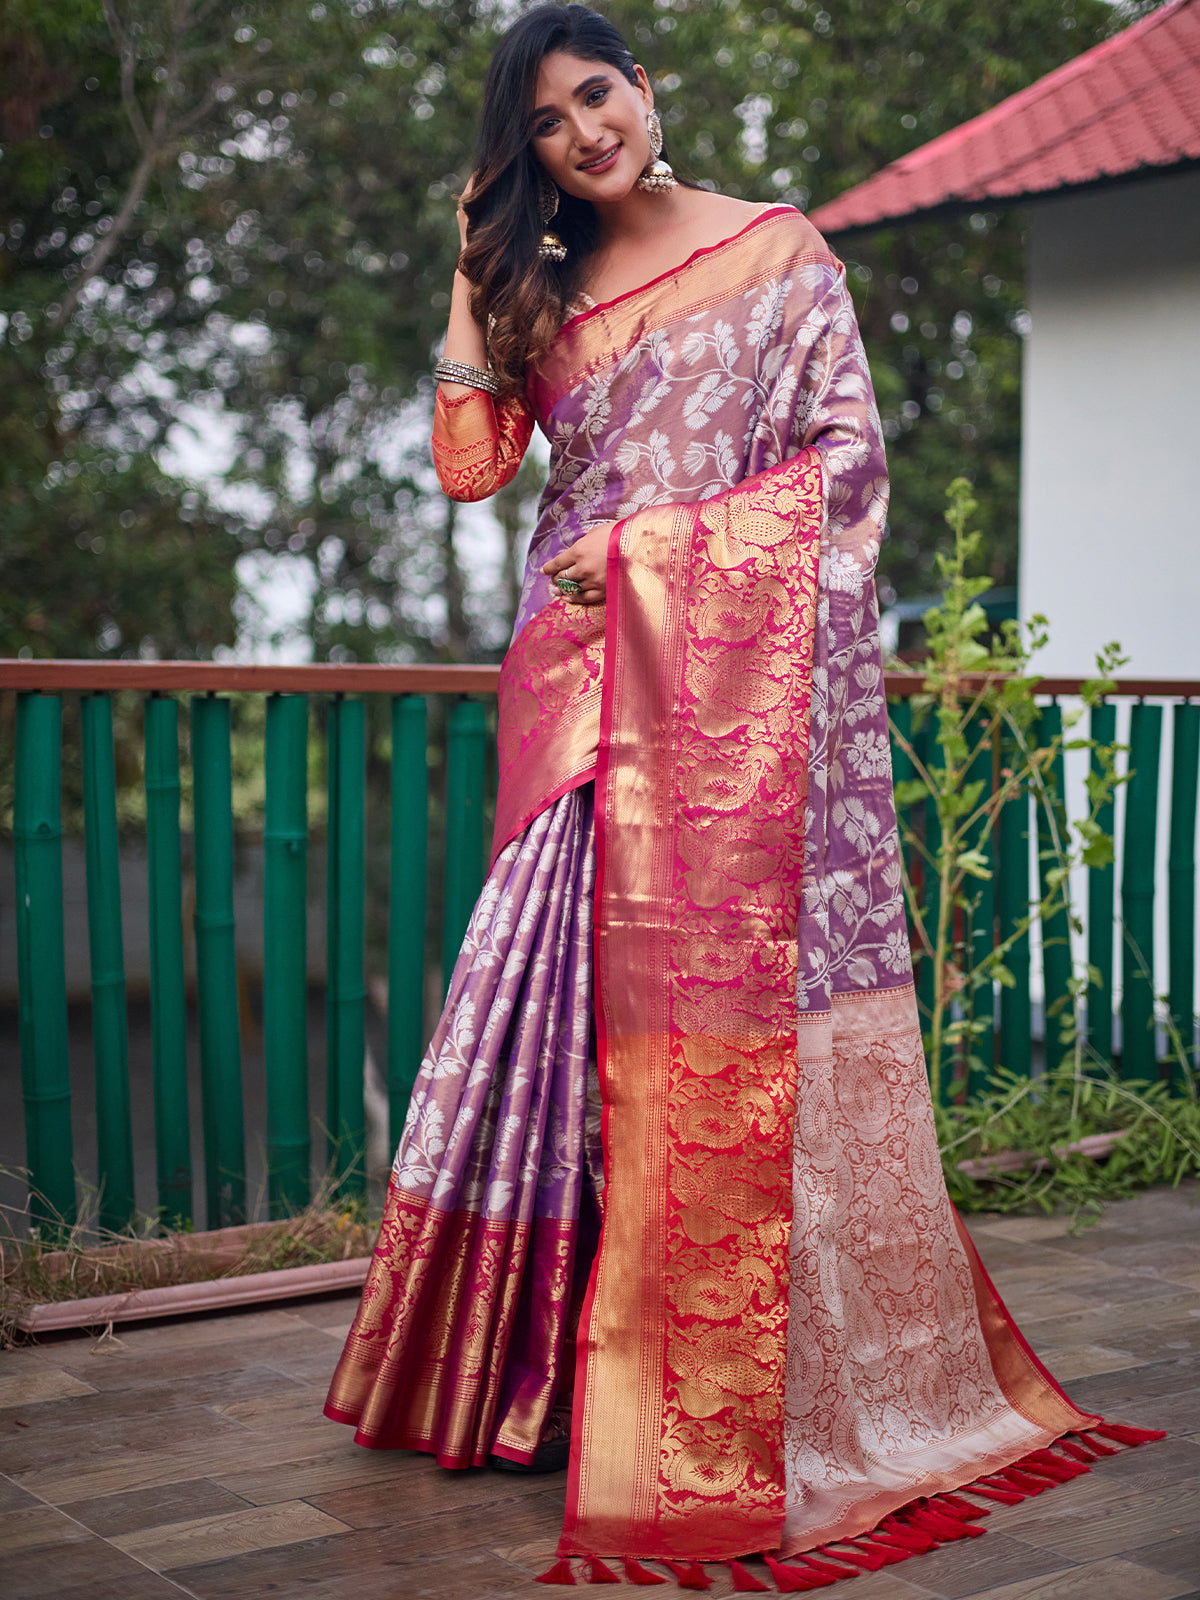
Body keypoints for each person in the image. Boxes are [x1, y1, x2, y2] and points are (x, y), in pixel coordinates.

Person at [325, 5, 1157, 1585]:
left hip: (714, 700)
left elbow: (846, 470)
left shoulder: (780, 254)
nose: (587, 134)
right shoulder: (540, 285)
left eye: (599, 95)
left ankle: (700, 1391)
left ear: (647, 87)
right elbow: (467, 462)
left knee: (698, 1045)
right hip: (572, 696)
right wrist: (465, 257)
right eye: (548, 125)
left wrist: (646, 553)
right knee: (552, 1037)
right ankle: (546, 1382)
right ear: (527, 154)